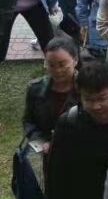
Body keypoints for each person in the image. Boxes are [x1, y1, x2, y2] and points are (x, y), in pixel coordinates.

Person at [45, 60, 108, 199]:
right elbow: (56, 182)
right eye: (88, 99)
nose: (96, 106)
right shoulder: (69, 124)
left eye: (102, 98)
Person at [23, 35, 79, 174]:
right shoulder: (35, 89)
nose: (57, 70)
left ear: (75, 60)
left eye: (62, 64)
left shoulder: (88, 88)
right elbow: (28, 121)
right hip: (49, 156)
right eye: (51, 65)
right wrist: (42, 142)